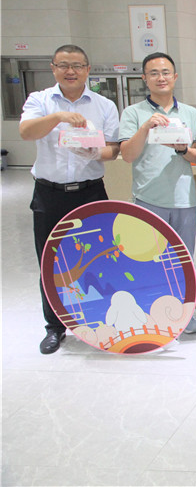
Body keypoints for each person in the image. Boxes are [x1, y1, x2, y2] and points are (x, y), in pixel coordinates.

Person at [20, 44, 120, 354]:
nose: (70, 71)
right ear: (53, 68)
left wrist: (95, 152)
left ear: (87, 69)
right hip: (49, 194)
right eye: (63, 65)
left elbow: (113, 149)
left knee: (99, 259)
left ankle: (99, 322)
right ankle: (55, 327)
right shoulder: (40, 100)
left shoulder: (104, 105)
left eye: (77, 65)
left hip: (90, 192)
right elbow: (26, 131)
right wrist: (59, 116)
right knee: (50, 262)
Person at [118, 52, 196, 333]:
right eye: (154, 73)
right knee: (148, 261)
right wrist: (146, 127)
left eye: (166, 72)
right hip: (148, 198)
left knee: (182, 261)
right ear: (144, 78)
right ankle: (151, 316)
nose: (161, 77)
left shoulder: (190, 113)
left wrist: (182, 149)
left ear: (175, 77)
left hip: (184, 200)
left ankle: (183, 314)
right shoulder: (133, 113)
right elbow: (127, 155)